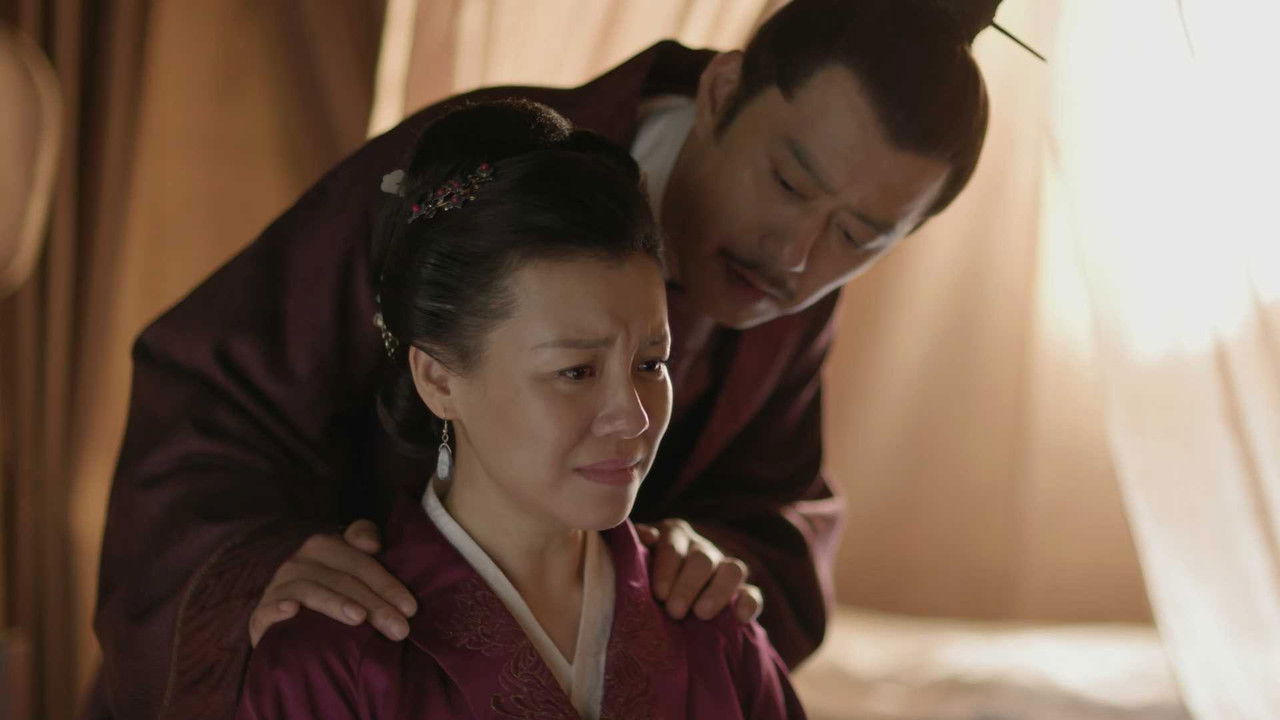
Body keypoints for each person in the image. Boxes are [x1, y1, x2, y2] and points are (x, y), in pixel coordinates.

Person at [91, 1, 993, 718]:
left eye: (859, 236)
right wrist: (264, 572)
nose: (797, 256)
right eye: (789, 182)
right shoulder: (474, 188)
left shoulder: (785, 286)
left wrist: (705, 565)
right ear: (722, 93)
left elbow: (776, 504)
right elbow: (211, 395)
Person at [233, 99, 805, 720]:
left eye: (650, 364)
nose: (634, 417)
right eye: (575, 371)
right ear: (438, 380)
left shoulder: (717, 629)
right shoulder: (331, 658)